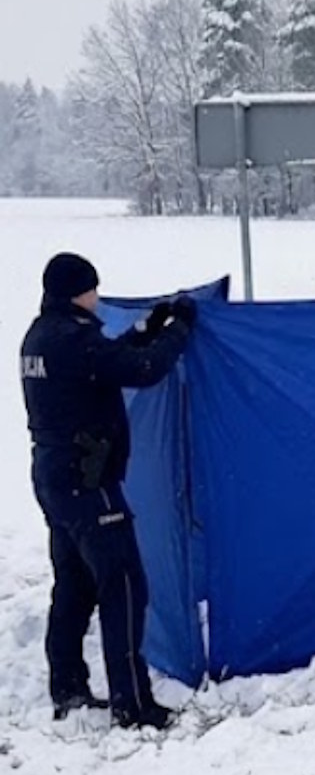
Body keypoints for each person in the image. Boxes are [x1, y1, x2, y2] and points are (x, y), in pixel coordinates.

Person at [19, 253, 197, 729]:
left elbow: (110, 361)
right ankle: (133, 703)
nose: (97, 298)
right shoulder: (75, 340)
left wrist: (145, 329)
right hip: (88, 480)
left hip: (54, 477)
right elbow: (143, 370)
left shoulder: (40, 336)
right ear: (80, 291)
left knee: (74, 585)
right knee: (122, 585)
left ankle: (69, 687)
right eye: (93, 289)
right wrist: (178, 330)